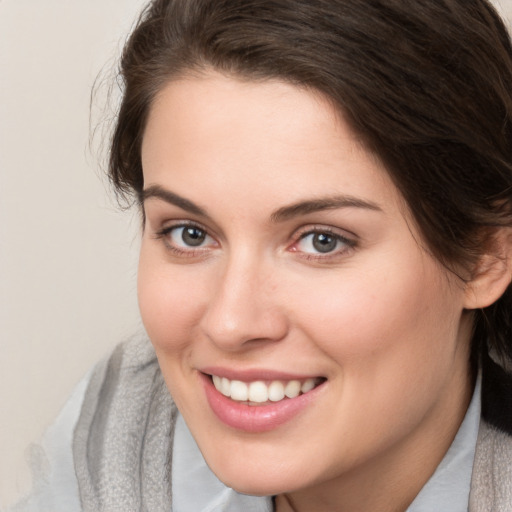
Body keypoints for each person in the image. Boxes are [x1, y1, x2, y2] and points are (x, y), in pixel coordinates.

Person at [12, 0, 512, 511]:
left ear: (486, 255)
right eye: (188, 233)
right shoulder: (117, 434)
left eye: (322, 241)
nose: (231, 324)